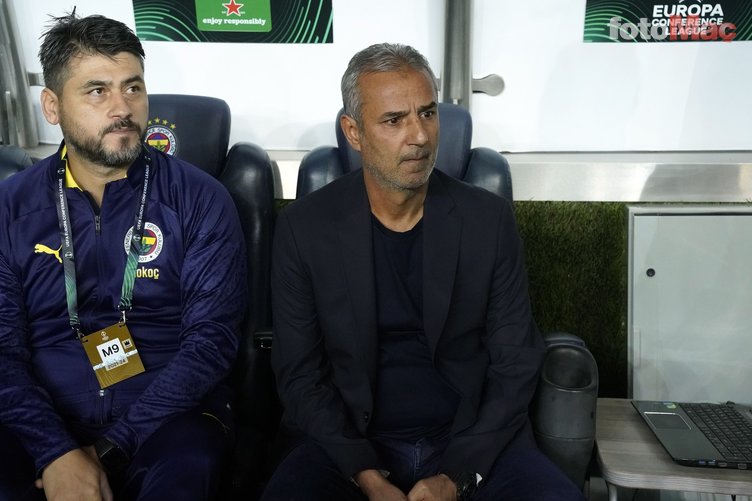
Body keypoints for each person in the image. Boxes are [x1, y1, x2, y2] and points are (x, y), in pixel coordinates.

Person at [261, 43, 585, 501]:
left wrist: (456, 475)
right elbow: (300, 375)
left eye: (428, 114)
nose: (419, 135)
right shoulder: (304, 228)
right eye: (394, 120)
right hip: (348, 442)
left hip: (471, 439)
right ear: (354, 132)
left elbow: (515, 361)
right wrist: (365, 475)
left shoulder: (487, 220)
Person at [0, 12, 246, 501]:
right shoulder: (11, 207)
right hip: (42, 414)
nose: (122, 108)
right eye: (97, 91)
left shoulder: (199, 199)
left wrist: (107, 451)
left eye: (133, 87)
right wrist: (55, 452)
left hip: (167, 417)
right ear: (52, 106)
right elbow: (3, 350)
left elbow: (210, 343)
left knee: (189, 470)